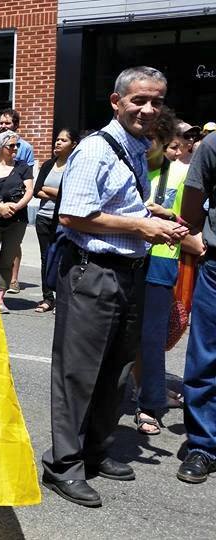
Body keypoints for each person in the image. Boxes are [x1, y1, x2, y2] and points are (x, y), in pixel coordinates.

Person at [41, 66, 188, 507]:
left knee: (117, 368)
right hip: (93, 270)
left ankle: (96, 451)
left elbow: (115, 200)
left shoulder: (136, 147)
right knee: (78, 372)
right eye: (138, 100)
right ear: (116, 101)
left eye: (155, 101)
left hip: (128, 272)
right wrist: (140, 226)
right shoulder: (94, 150)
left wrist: (153, 211)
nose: (147, 109)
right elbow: (73, 214)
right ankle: (63, 466)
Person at [133, 111, 204, 435]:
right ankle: (138, 392)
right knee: (125, 333)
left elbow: (191, 222)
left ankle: (150, 403)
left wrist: (169, 214)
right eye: (175, 143)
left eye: (185, 143)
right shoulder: (137, 167)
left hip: (163, 257)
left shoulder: (185, 174)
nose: (180, 149)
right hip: (131, 255)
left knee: (152, 336)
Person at [179, 128, 216, 483]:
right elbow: (194, 195)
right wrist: (195, 236)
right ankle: (203, 446)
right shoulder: (214, 145)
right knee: (205, 356)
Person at [0, 109, 36, 293]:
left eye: (8, 123)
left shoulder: (24, 157)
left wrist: (15, 207)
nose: (15, 149)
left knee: (8, 257)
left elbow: (29, 189)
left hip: (16, 218)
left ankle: (4, 292)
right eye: (1, 122)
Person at [31, 128, 79, 313]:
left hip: (63, 221)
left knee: (63, 259)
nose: (58, 143)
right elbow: (37, 190)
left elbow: (71, 194)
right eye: (57, 140)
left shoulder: (75, 167)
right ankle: (47, 298)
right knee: (46, 258)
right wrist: (58, 193)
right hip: (44, 218)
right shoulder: (48, 165)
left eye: (63, 140)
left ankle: (62, 299)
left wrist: (49, 191)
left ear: (73, 144)